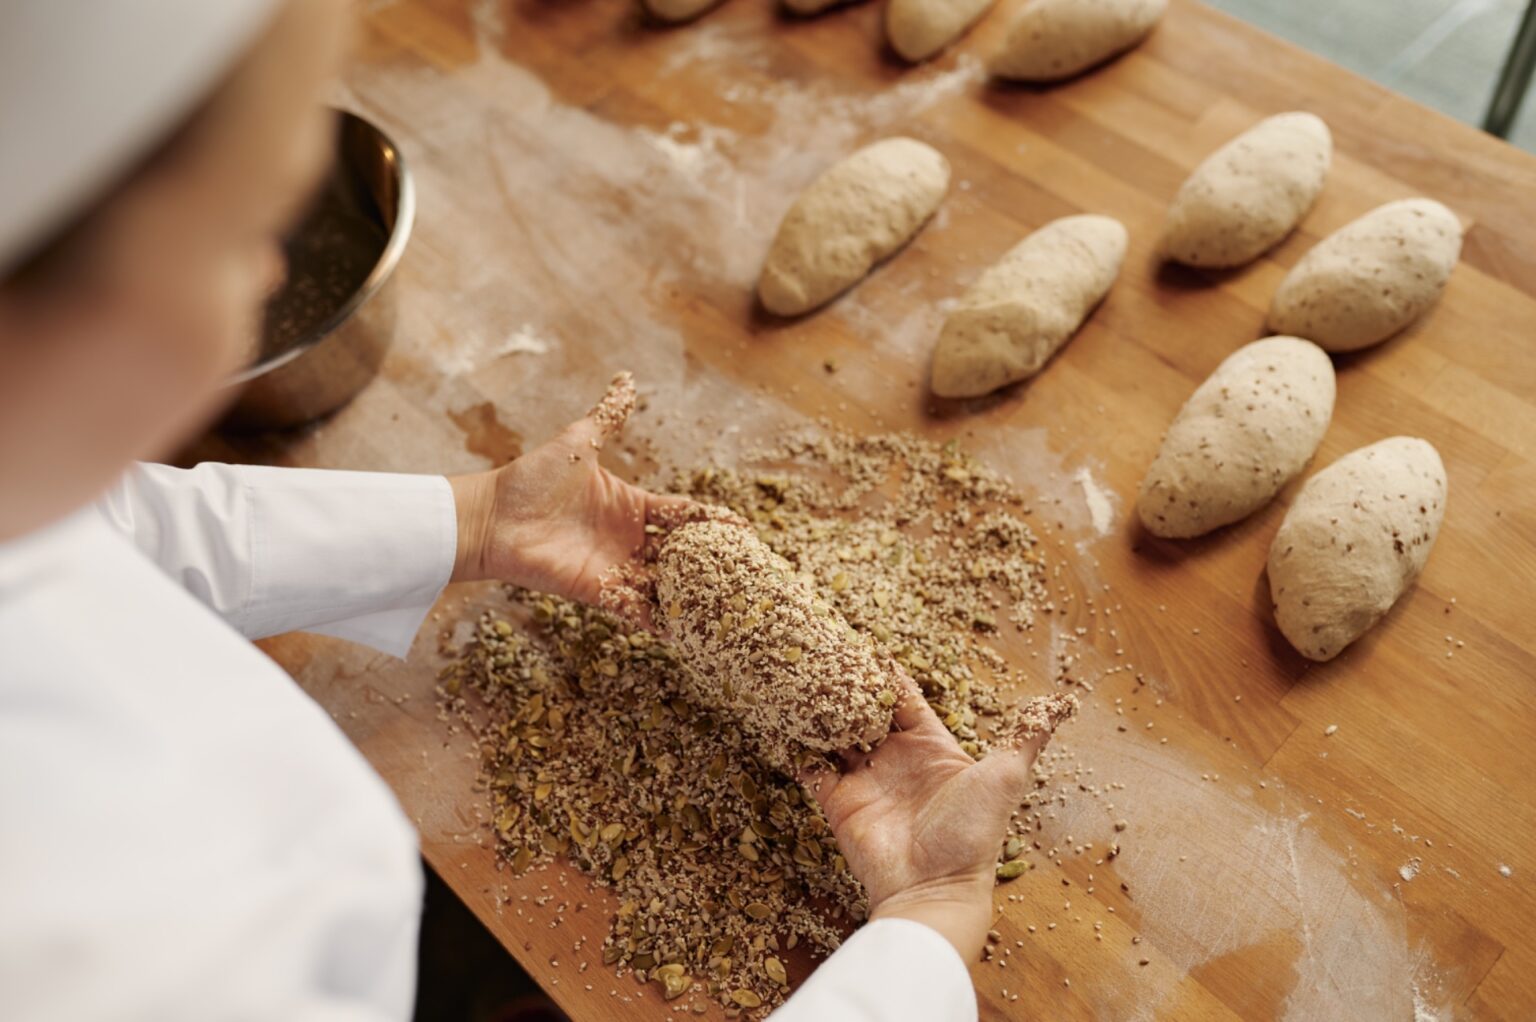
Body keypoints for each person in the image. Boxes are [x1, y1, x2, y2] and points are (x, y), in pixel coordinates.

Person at [0, 2, 1051, 1019]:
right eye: (249, 227)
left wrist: (473, 522)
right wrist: (924, 925)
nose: (274, 269)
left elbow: (88, 538)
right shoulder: (130, 936)